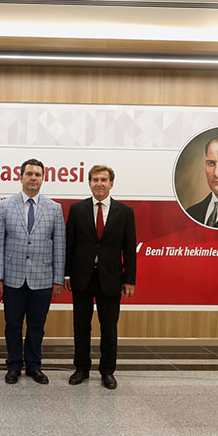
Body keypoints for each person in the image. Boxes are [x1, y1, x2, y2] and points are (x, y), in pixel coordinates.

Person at [0, 159, 65, 385]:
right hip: (12, 278)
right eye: (30, 174)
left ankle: (34, 365)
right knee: (12, 324)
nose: (33, 178)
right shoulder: (5, 206)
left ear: (43, 179)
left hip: (42, 278)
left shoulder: (54, 208)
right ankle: (13, 365)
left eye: (38, 174)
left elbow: (59, 245)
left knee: (36, 326)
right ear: (21, 177)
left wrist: (58, 279)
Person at [64, 165, 136, 390]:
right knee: (81, 326)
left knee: (109, 328)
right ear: (89, 183)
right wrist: (66, 274)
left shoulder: (125, 212)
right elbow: (69, 244)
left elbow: (129, 248)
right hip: (81, 277)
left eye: (104, 180)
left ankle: (107, 371)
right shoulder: (77, 210)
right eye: (95, 179)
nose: (99, 183)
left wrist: (129, 279)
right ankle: (81, 369)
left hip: (111, 278)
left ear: (111, 183)